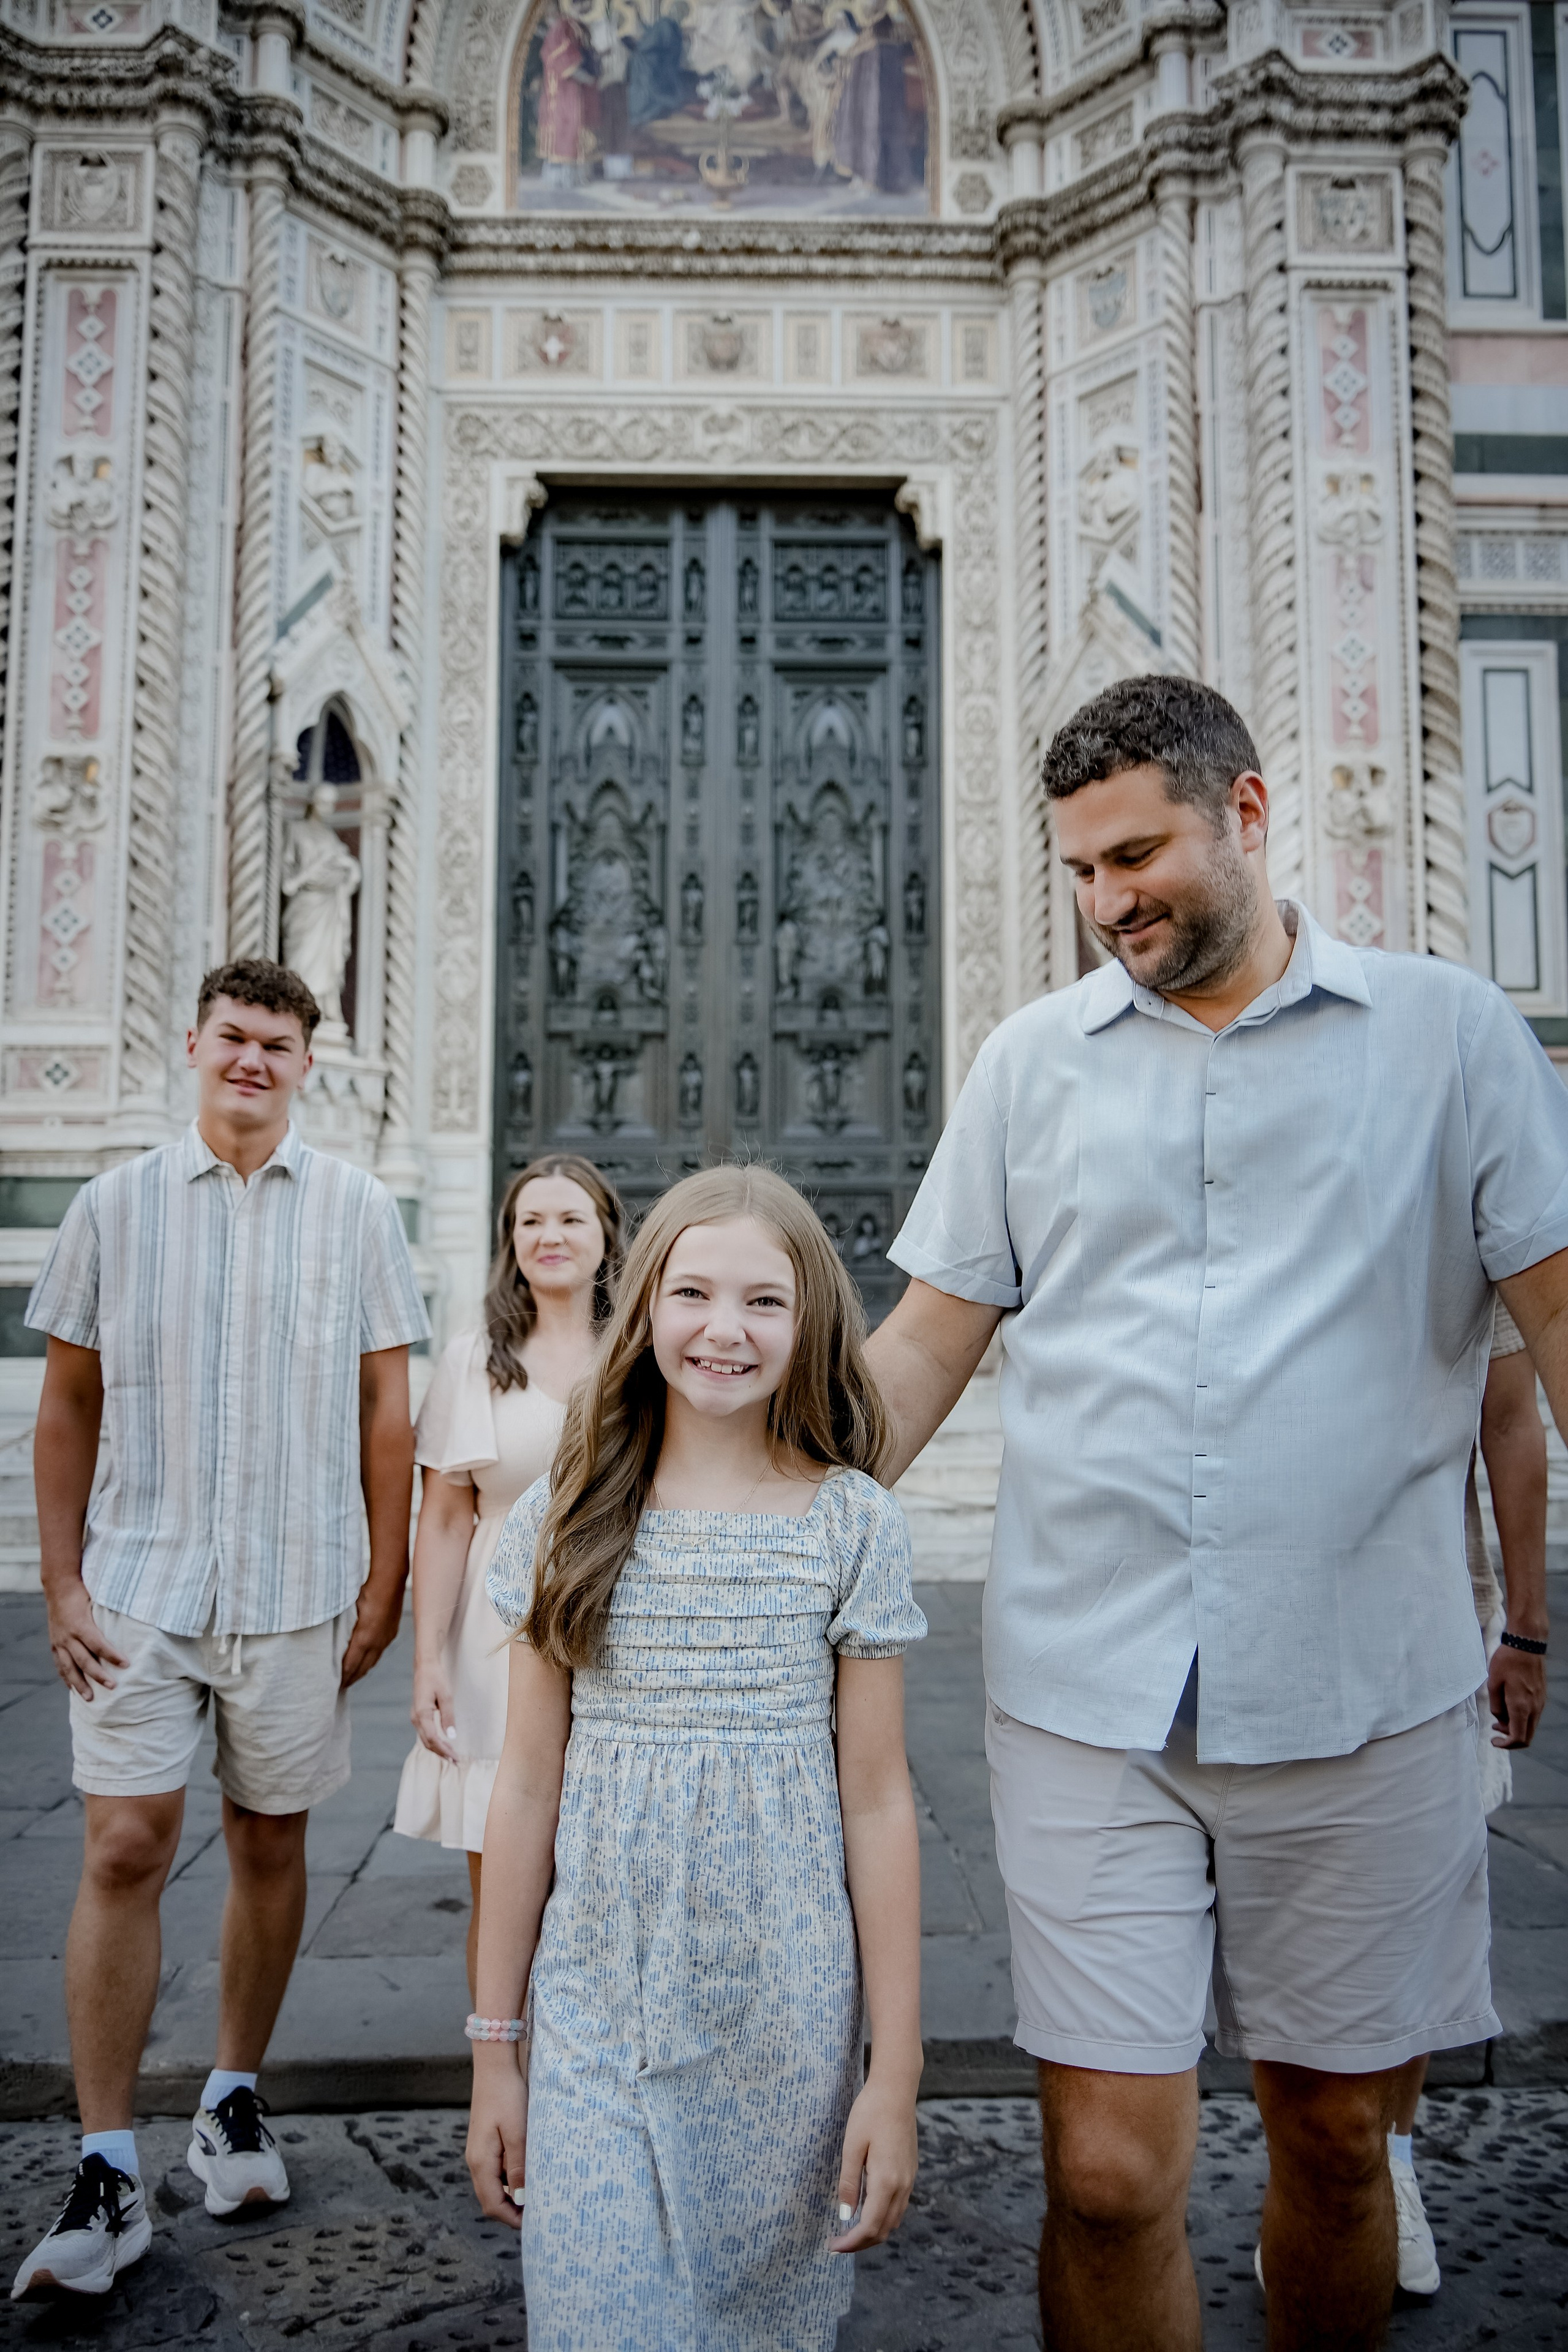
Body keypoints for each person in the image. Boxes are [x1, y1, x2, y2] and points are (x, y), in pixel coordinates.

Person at [864, 674, 1568, 2352]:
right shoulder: (1031, 1066)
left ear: (1247, 813)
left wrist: (1529, 1613)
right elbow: (921, 1348)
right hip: (1086, 1694)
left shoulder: (1451, 1036)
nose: (1110, 904)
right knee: (1105, 2173)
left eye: (1138, 854)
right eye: (1083, 874)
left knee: (1336, 2147)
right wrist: (717, 1517)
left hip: (1363, 1693)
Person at [12, 960, 429, 2305]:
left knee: (269, 1838)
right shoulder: (112, 1206)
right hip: (140, 1581)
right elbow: (66, 1405)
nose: (253, 1061)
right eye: (235, 1038)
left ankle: (233, 2098)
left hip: (298, 1579)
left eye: (280, 1044)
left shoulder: (359, 1212)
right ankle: (105, 2158)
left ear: (312, 1061)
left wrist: (386, 1579)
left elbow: (387, 1412)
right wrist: (61, 1584)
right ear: (192, 1043)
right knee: (125, 1842)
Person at [465, 1164, 925, 2350]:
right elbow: (521, 1789)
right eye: (693, 1294)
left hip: (783, 2012)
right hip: (596, 1999)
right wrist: (493, 2052)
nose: (724, 1330)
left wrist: (896, 2069)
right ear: (645, 1307)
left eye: (763, 1302)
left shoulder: (850, 1523)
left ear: (810, 1320)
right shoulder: (562, 1516)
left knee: (754, 2326)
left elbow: (876, 1801)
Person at [393, 1155, 623, 1997]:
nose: (549, 1236)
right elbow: (447, 1516)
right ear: (509, 1241)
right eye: (531, 1221)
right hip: (496, 1628)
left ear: (606, 1235)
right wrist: (428, 1665)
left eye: (570, 1219)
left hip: (620, 1617)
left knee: (611, 1869)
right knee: (504, 1882)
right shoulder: (474, 1358)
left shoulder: (641, 1351)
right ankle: (505, 2072)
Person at [1381, 1299, 1550, 2297]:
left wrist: (1524, 1628)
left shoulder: (1462, 1161)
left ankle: (1385, 2163)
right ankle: (1318, 2160)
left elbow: (1510, 1416)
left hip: (1429, 1619)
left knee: (1410, 1928)